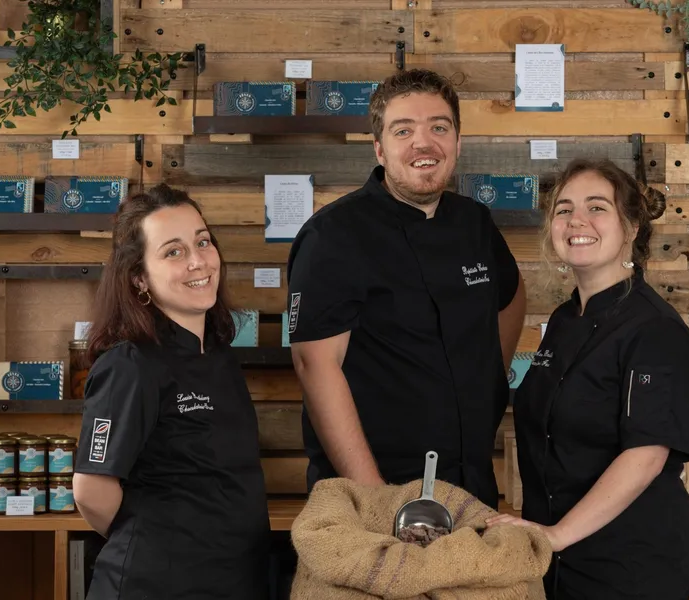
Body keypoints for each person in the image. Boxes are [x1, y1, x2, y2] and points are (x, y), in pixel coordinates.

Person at [286, 68, 526, 510]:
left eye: (439, 127)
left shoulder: (474, 223)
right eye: (404, 130)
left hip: (471, 486)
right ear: (379, 148)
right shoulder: (333, 236)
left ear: (457, 142)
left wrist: (487, 382)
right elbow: (314, 366)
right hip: (371, 497)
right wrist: (376, 498)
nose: (424, 143)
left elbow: (511, 296)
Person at [487, 158, 689, 599]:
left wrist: (556, 536)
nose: (576, 220)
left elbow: (645, 456)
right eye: (563, 209)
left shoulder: (654, 330)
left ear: (633, 226)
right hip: (560, 567)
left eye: (597, 207)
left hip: (630, 570)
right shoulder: (567, 320)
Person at [72, 184, 271, 600]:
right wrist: (161, 543)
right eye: (173, 252)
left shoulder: (219, 357)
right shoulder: (130, 366)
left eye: (203, 242)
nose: (198, 261)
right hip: (157, 586)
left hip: (234, 580)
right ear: (139, 277)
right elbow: (91, 490)